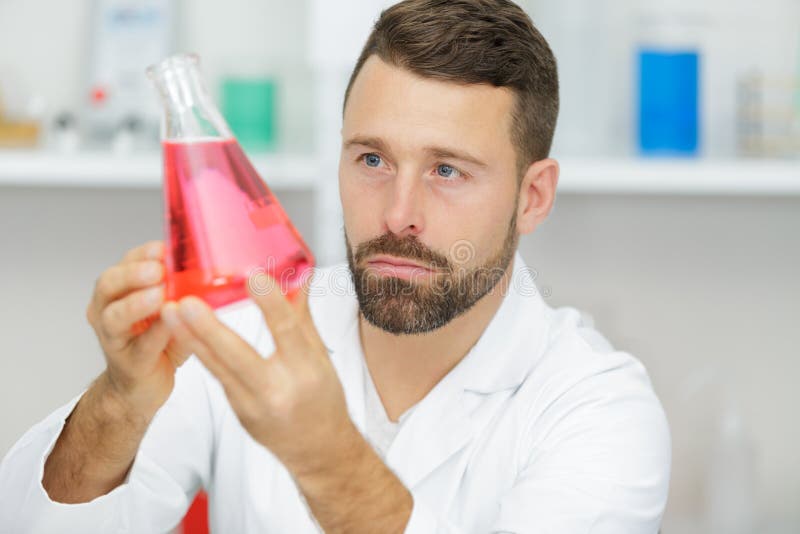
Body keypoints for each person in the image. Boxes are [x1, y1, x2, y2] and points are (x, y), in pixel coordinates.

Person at [0, 0, 671, 532]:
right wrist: (120, 400)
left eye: (447, 170)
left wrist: (325, 457)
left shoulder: (597, 408)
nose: (398, 215)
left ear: (533, 197)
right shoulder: (247, 322)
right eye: (372, 159)